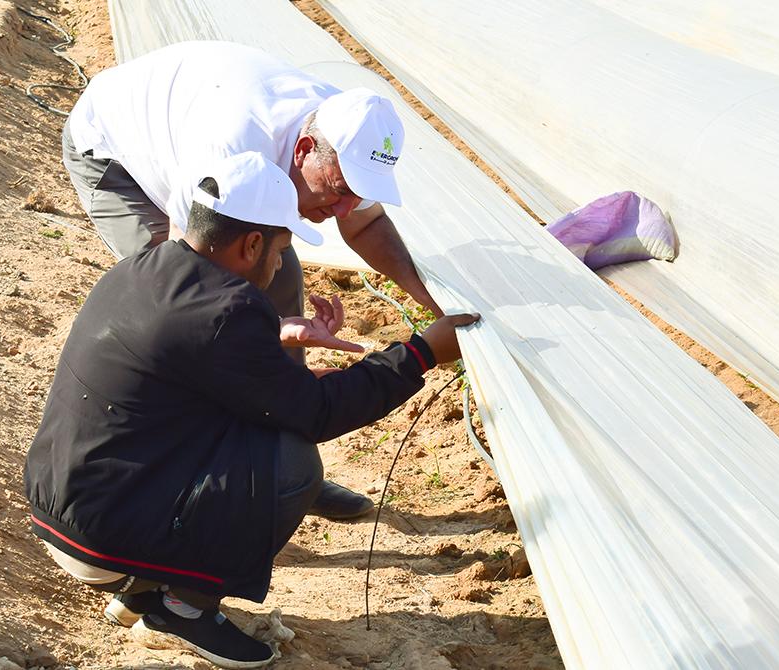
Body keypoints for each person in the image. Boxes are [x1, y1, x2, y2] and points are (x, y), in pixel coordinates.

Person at [24, 152, 479, 668]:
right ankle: (182, 607)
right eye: (282, 249)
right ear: (253, 244)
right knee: (290, 464)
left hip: (64, 503)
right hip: (103, 532)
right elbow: (318, 414)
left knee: (259, 427)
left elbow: (193, 368)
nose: (281, 264)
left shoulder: (145, 270)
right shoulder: (228, 310)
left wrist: (275, 342)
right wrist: (420, 353)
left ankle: (145, 590)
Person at [62, 41, 442, 519]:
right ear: (304, 150)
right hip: (116, 152)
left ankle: (283, 457)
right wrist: (250, 336)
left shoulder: (346, 138)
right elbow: (193, 275)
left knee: (278, 276)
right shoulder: (229, 144)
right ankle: (200, 478)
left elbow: (364, 224)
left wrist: (434, 305)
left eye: (358, 194)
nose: (346, 209)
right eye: (341, 192)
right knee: (178, 312)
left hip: (191, 117)